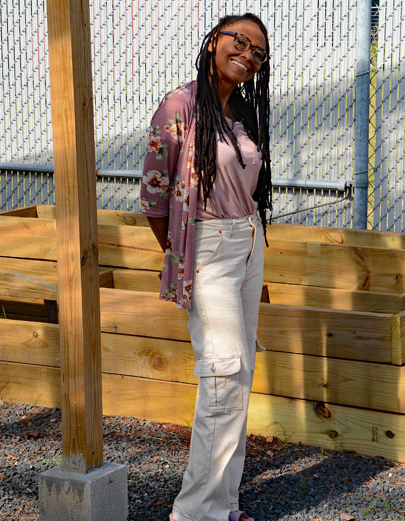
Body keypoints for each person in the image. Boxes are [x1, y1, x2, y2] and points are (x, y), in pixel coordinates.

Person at [139, 12, 272, 521]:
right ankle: (195, 513)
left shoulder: (242, 109)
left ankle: (223, 503)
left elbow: (249, 190)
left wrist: (254, 262)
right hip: (208, 245)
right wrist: (181, 254)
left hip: (248, 241)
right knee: (223, 374)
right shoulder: (180, 105)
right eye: (240, 41)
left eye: (257, 52)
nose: (247, 54)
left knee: (239, 377)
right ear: (214, 40)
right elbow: (153, 196)